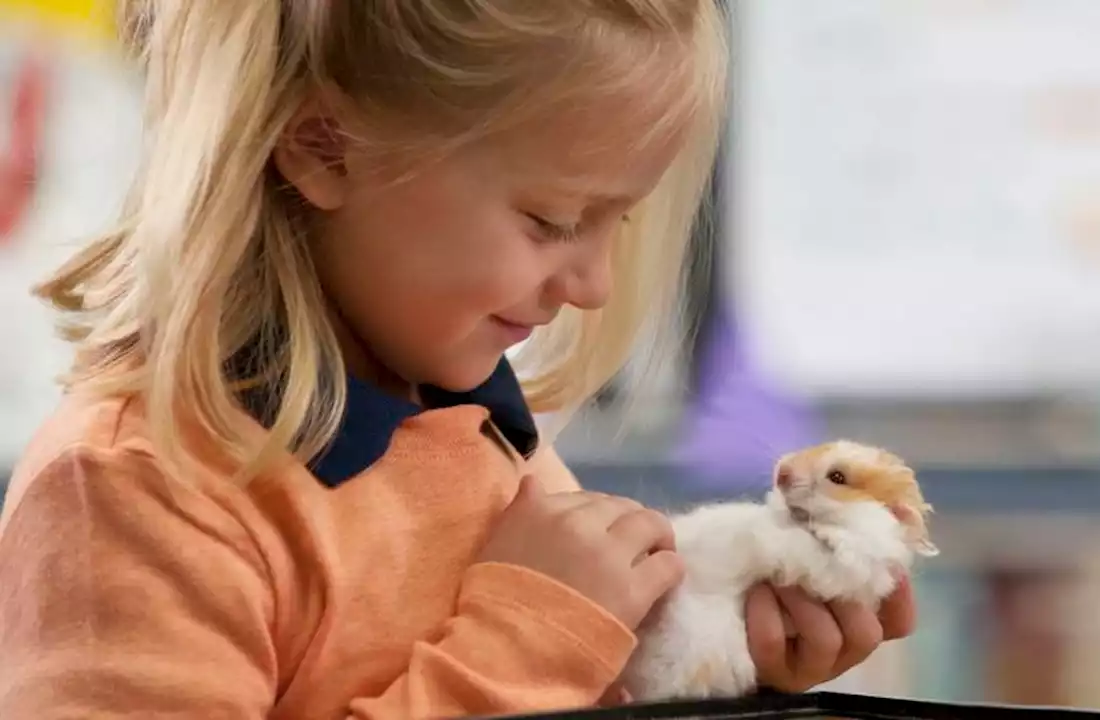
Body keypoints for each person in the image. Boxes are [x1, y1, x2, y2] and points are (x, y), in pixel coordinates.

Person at [0, 1, 916, 717]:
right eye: (552, 220)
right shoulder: (133, 491)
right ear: (324, 148)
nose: (595, 284)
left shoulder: (480, 431)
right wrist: (531, 638)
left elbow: (576, 683)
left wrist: (717, 665)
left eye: (618, 222)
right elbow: (527, 662)